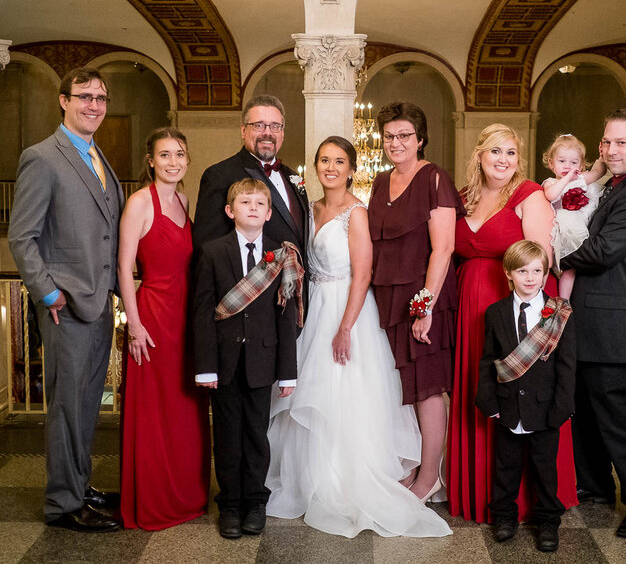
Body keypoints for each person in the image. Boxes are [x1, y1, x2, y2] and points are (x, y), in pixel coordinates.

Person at [266, 137, 451, 538]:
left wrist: (345, 327)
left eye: (339, 161)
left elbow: (363, 274)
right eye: (324, 160)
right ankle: (311, 476)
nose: (331, 167)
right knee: (311, 392)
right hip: (313, 307)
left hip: (347, 309)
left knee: (345, 392)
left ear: (351, 168)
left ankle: (349, 475)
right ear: (315, 166)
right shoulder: (308, 209)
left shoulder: (357, 213)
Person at [8, 67, 124, 532]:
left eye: (100, 97)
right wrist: (49, 291)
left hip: (97, 304)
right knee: (65, 408)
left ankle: (79, 485)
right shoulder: (42, 157)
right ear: (63, 101)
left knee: (86, 405)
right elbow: (22, 237)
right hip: (64, 307)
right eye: (84, 96)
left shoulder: (98, 156)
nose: (93, 104)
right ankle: (62, 504)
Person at [448, 123, 577, 524]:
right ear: (479, 155)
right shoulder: (464, 197)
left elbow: (540, 262)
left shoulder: (528, 195)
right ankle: (485, 496)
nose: (503, 161)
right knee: (484, 391)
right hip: (471, 308)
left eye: (511, 154)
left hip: (516, 306)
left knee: (527, 393)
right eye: (495, 152)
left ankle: (532, 504)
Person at [561, 109, 626, 539]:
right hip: (589, 322)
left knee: (622, 417)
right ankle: (596, 485)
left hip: (617, 326)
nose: (610, 150)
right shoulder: (612, 185)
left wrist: (553, 260)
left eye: (621, 142)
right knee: (584, 410)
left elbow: (602, 251)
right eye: (606, 142)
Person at [192, 178, 301, 540]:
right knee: (226, 436)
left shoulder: (279, 254)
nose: (252, 208)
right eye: (245, 203)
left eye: (259, 204)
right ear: (230, 211)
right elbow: (203, 312)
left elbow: (286, 316)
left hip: (263, 360)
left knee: (257, 434)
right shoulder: (212, 252)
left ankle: (256, 501)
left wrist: (288, 373)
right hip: (222, 362)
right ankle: (231, 504)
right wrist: (205, 366)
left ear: (269, 213)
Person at [368, 101, 463, 504]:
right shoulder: (378, 181)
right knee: (398, 386)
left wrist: (424, 306)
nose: (396, 142)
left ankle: (430, 478)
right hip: (386, 296)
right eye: (389, 135)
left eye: (405, 135)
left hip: (424, 298)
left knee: (427, 389)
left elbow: (443, 249)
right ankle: (410, 466)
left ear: (420, 139)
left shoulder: (434, 177)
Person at [117, 128, 210, 530]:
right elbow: (124, 267)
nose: (173, 161)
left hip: (186, 317)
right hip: (152, 319)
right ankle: (155, 502)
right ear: (150, 160)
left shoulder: (184, 200)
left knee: (186, 410)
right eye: (165, 155)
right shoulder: (140, 202)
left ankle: (188, 496)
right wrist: (134, 325)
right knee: (155, 414)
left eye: (180, 154)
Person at [476, 240, 575, 552]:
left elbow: (567, 365)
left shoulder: (559, 313)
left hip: (546, 409)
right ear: (509, 273)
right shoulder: (495, 313)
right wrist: (488, 401)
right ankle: (504, 516)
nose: (531, 278)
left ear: (546, 274)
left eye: (537, 271)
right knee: (505, 466)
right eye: (522, 271)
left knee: (545, 469)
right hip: (507, 407)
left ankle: (548, 521)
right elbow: (487, 359)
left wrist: (562, 408)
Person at [193, 94, 308, 257]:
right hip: (251, 279)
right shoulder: (219, 175)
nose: (267, 133)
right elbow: (207, 247)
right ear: (243, 130)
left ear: (282, 132)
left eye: (275, 126)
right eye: (259, 125)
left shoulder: (293, 176)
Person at [540, 134, 607, 299]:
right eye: (561, 161)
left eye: (573, 162)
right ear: (551, 163)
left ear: (582, 165)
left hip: (580, 229)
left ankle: (564, 301)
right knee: (555, 268)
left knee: (571, 270)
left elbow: (598, 172)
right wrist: (569, 178)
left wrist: (602, 156)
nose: (567, 166)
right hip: (560, 232)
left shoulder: (581, 179)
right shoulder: (550, 183)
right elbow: (551, 195)